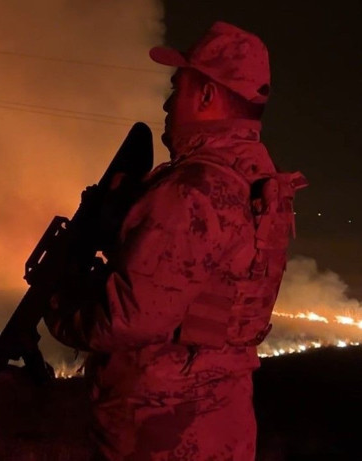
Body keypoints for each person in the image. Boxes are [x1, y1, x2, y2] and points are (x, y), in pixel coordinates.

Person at [44, 21, 307, 460]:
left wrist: (60, 305)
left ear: (206, 95)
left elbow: (129, 317)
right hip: (222, 419)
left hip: (163, 427)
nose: (167, 103)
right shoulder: (258, 182)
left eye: (176, 86)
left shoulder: (192, 190)